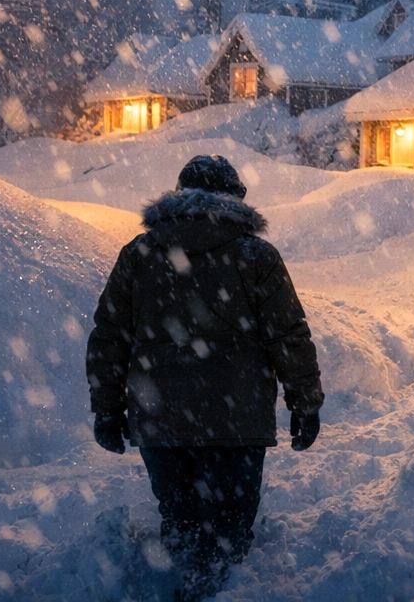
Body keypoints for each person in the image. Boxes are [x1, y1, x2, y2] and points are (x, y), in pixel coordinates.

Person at [86, 155, 324, 601]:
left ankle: (181, 582)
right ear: (235, 198)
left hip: (161, 417)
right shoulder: (255, 256)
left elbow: (109, 336)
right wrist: (304, 401)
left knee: (180, 521)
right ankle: (218, 589)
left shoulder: (140, 254)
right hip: (236, 420)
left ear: (178, 196)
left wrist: (107, 407)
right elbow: (288, 334)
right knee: (230, 530)